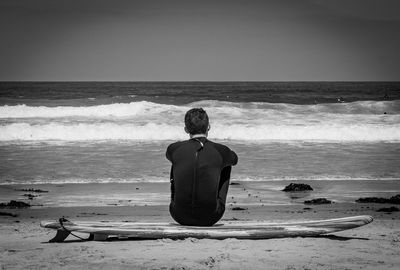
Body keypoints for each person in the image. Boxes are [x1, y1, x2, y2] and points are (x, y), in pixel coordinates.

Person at [166, 108, 238, 226]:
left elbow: (174, 158)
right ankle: (213, 201)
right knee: (226, 164)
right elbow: (234, 160)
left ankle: (180, 201)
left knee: (177, 161)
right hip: (211, 216)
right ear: (208, 127)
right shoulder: (221, 150)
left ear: (186, 129)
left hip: (178, 215)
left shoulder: (173, 149)